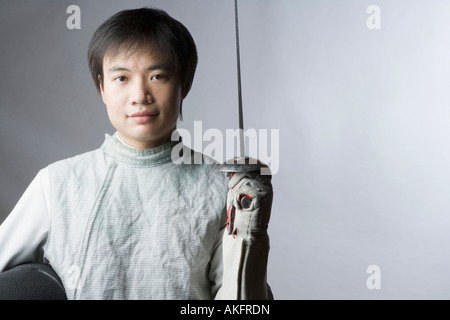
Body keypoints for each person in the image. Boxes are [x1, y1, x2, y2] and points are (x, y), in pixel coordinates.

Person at [0, 7, 273, 300]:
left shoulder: (225, 187)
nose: (140, 95)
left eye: (157, 75)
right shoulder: (56, 184)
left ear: (185, 82)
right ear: (102, 87)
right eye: (121, 78)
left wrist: (250, 235)